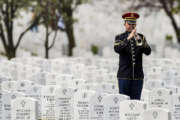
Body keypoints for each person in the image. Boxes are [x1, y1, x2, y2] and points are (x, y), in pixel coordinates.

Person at [114, 12, 151, 100]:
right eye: (129, 23)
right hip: (124, 76)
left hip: (138, 77)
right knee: (124, 102)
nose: (131, 26)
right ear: (125, 24)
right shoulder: (120, 37)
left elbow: (148, 52)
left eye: (133, 23)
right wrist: (128, 38)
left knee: (136, 102)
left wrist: (139, 40)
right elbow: (117, 49)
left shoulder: (141, 37)